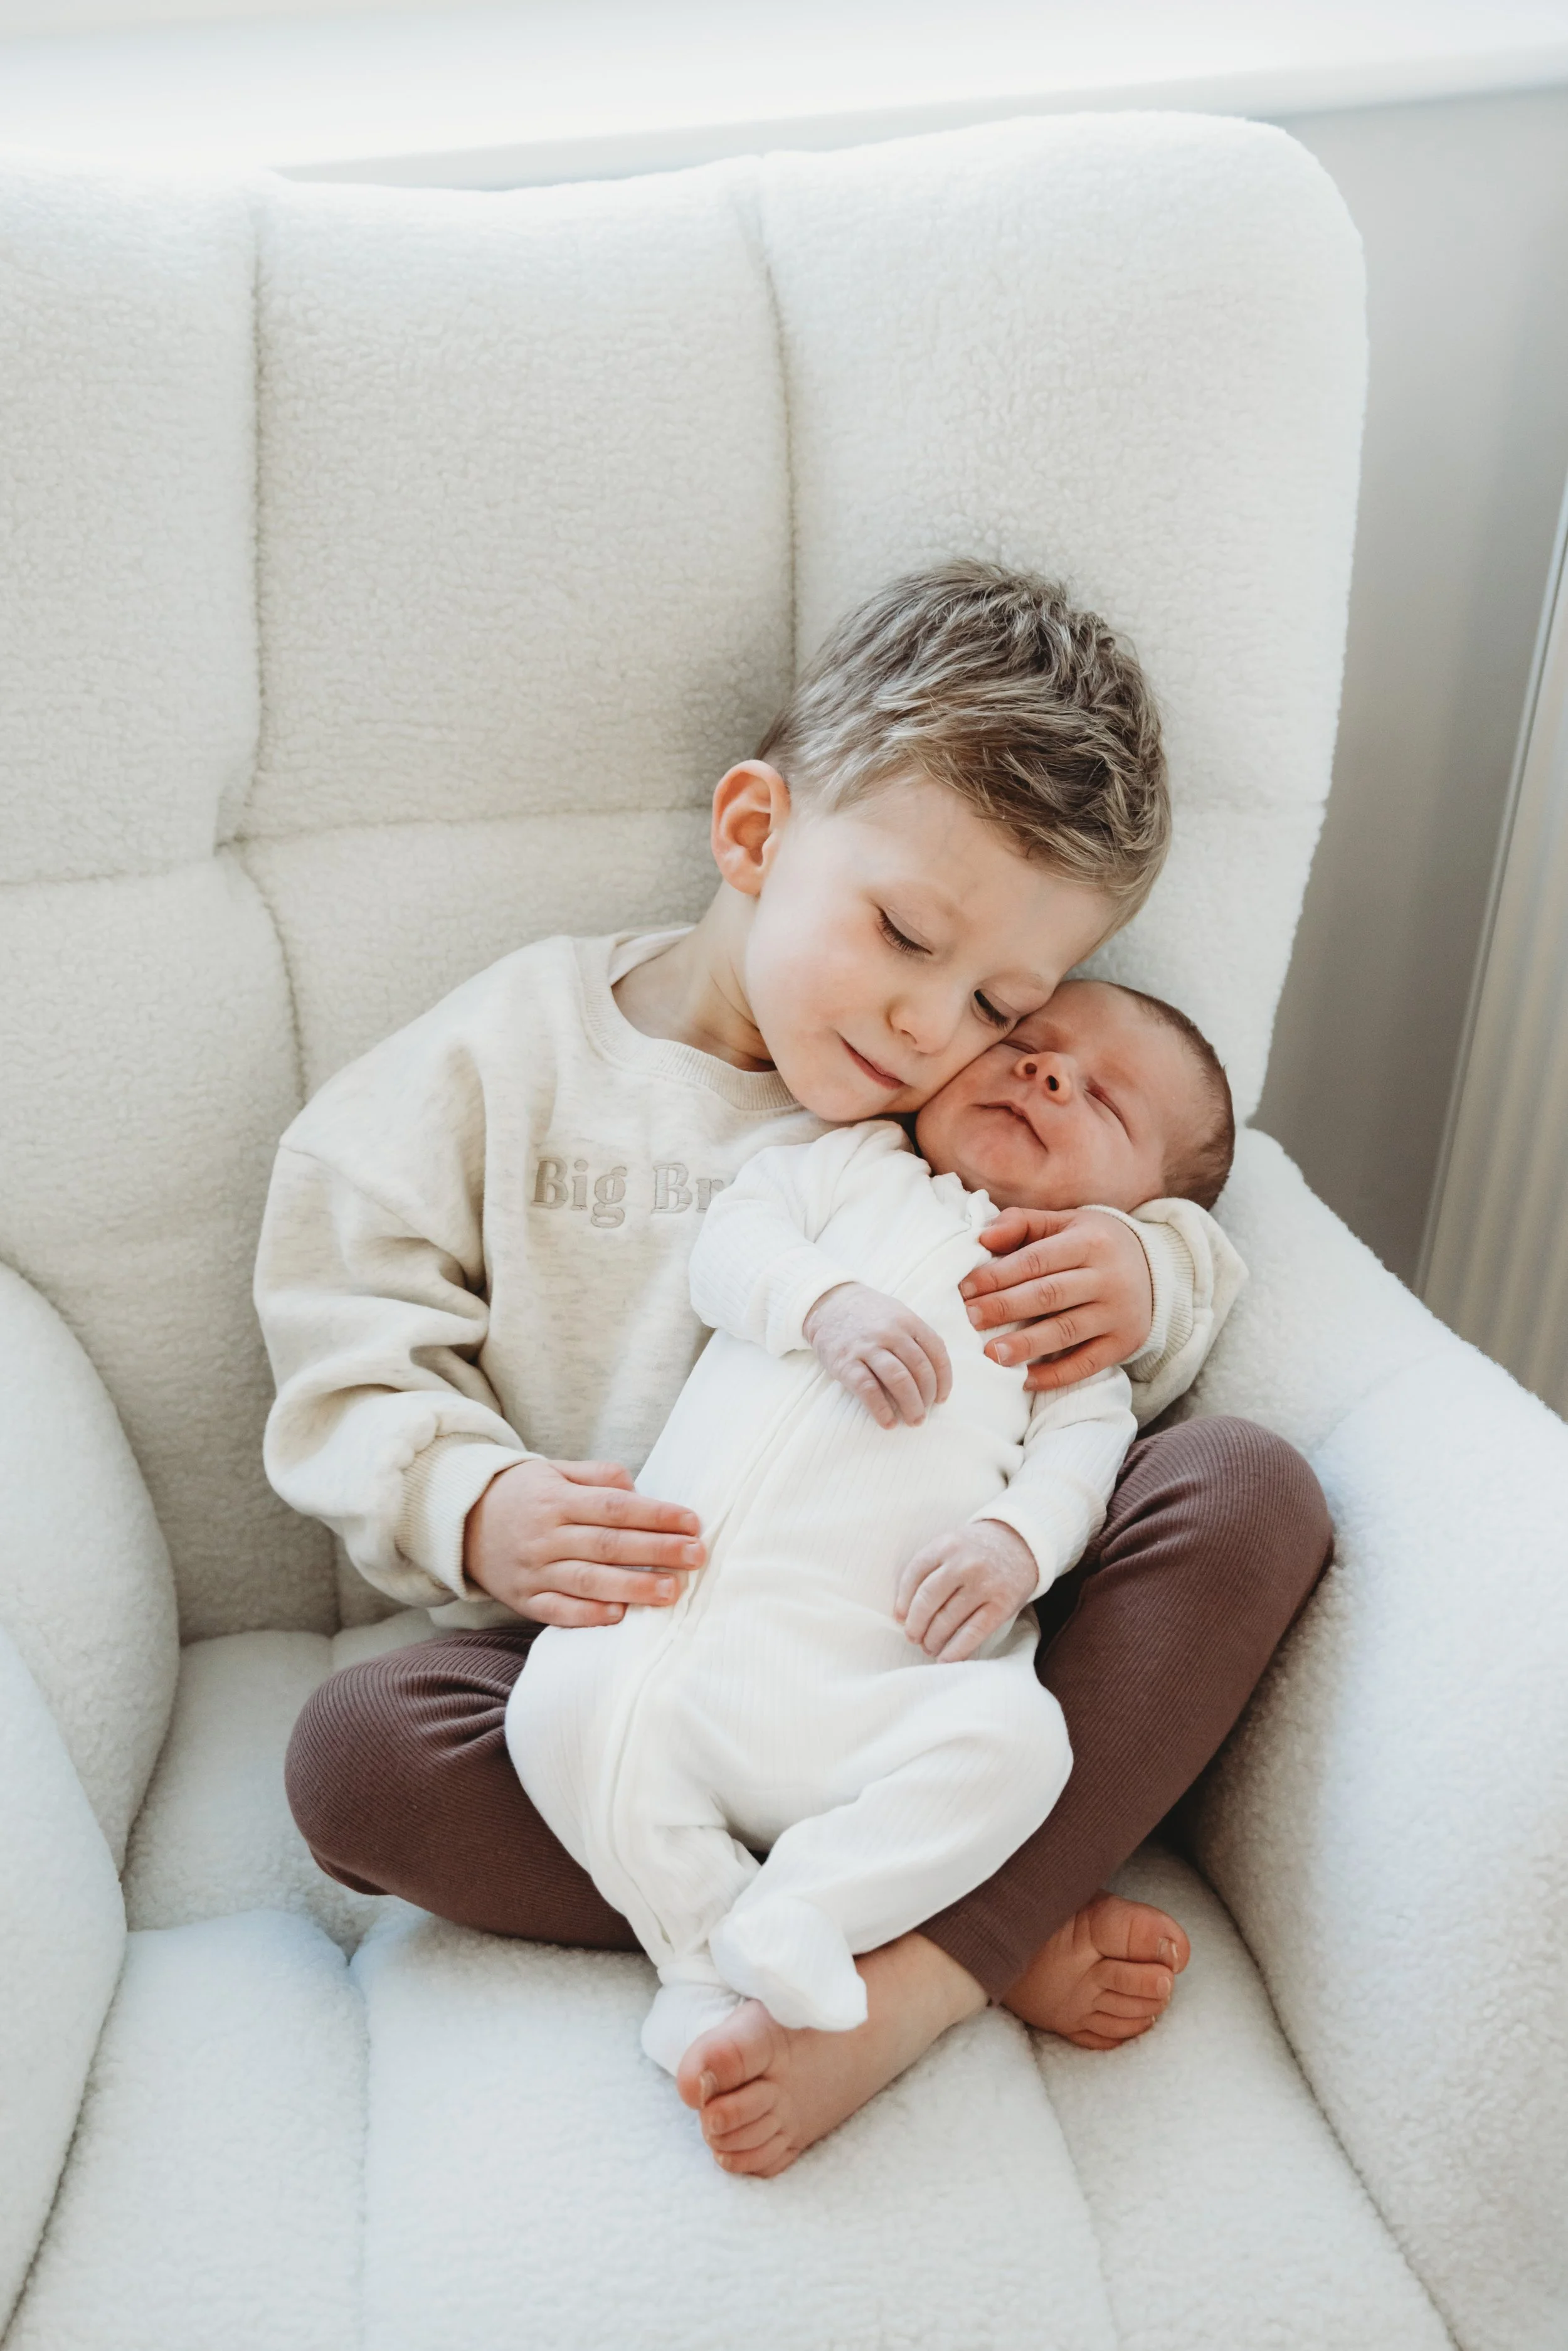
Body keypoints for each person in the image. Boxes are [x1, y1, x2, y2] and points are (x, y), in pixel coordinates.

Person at [264, 563, 1332, 2179]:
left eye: (1000, 999)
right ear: (755, 836)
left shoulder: (958, 1132)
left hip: (903, 1672)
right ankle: (964, 1926)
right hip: (607, 1682)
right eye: (901, 934)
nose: (926, 1026)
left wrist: (1149, 1263)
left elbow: (1161, 1191)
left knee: (1246, 1488)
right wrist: (474, 1506)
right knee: (357, 1758)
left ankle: (924, 1960)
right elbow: (345, 1308)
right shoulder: (517, 1055)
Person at [507, 980, 1243, 2116]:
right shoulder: (851, 1168)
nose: (1048, 1074)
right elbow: (733, 1244)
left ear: (1143, 1213)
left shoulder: (1071, 1331)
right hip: (683, 1642)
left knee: (1019, 1745)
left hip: (874, 1692)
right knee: (555, 1709)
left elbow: (1077, 1468)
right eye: (1030, 1045)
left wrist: (1011, 1546)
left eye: (1104, 1099)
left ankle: (809, 1908)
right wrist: (822, 1303)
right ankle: (704, 1958)